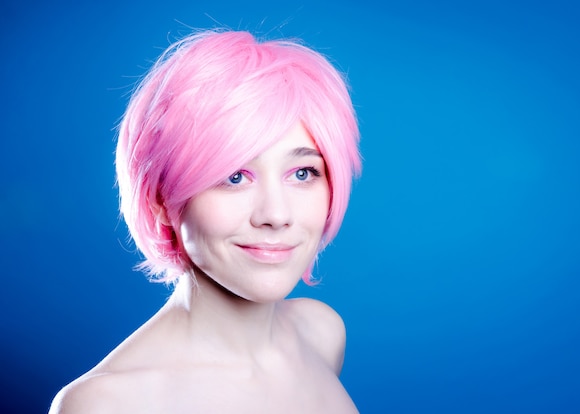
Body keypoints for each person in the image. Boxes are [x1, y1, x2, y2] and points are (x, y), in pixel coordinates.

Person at [49, 28, 361, 413]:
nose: (277, 215)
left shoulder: (320, 332)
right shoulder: (108, 404)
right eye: (234, 176)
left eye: (302, 173)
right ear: (161, 198)